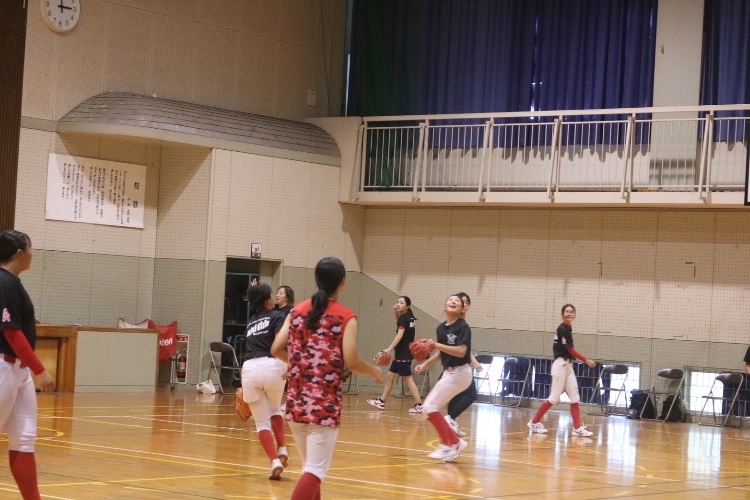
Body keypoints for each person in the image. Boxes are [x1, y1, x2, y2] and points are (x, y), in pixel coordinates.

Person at [271, 256, 383, 500]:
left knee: (310, 469)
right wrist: (373, 370)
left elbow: (276, 348)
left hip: (296, 403)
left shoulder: (296, 311)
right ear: (342, 282)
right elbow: (352, 361)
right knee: (314, 471)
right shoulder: (345, 317)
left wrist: (297, 363)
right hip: (323, 405)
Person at [0, 230, 55, 500]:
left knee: (24, 439)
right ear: (19, 253)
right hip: (3, 367)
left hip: (18, 371)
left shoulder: (13, 283)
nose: (33, 254)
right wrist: (40, 369)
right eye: (31, 248)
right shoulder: (3, 282)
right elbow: (11, 332)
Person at [414, 294, 471, 462]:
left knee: (429, 407)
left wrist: (435, 344)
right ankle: (453, 443)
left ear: (462, 309)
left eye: (457, 301)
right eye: (450, 299)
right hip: (449, 373)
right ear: (444, 306)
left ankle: (450, 443)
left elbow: (461, 351)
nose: (453, 301)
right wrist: (426, 364)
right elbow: (441, 351)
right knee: (428, 408)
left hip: (461, 372)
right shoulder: (441, 328)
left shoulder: (463, 327)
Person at [240, 282, 289, 480]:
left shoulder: (251, 322)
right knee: (275, 409)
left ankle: (274, 461)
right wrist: (289, 362)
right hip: (272, 366)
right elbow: (280, 343)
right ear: (267, 299)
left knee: (261, 423)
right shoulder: (277, 316)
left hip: (250, 369)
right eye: (271, 294)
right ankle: (282, 448)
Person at [527, 303, 596, 437]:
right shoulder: (562, 329)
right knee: (554, 398)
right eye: (567, 311)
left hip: (568, 366)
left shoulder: (568, 328)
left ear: (575, 315)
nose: (569, 314)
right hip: (560, 365)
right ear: (562, 314)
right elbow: (569, 349)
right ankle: (534, 422)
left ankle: (577, 428)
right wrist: (586, 360)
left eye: (571, 312)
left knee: (575, 397)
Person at [367, 296, 423, 413]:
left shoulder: (403, 318)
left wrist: (388, 349)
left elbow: (400, 335)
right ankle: (381, 401)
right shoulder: (409, 316)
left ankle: (419, 404)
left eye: (401, 303)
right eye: (397, 302)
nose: (398, 304)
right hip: (403, 352)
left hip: (403, 353)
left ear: (407, 306)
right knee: (390, 376)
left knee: (408, 379)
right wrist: (395, 313)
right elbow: (401, 326)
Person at [443, 292, 483, 437]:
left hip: (456, 366)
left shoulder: (461, 322)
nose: (465, 304)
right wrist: (475, 362)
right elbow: (460, 349)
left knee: (456, 396)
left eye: (467, 302)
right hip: (456, 367)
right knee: (471, 395)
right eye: (462, 302)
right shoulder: (458, 322)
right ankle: (450, 419)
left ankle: (451, 423)